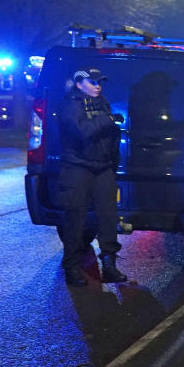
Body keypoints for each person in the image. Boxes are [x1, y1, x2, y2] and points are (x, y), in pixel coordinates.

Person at [56, 68, 129, 286]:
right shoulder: (70, 104)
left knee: (108, 218)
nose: (98, 86)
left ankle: (109, 266)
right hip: (77, 168)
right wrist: (108, 121)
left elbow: (111, 136)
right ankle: (72, 268)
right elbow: (81, 131)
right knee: (75, 219)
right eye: (93, 82)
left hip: (102, 167)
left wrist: (112, 162)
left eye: (100, 82)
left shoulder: (101, 101)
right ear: (79, 84)